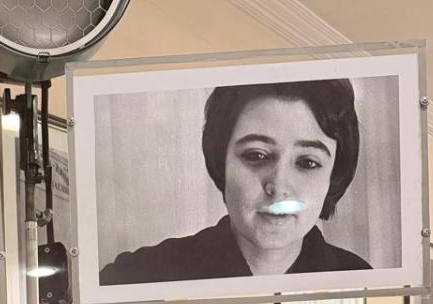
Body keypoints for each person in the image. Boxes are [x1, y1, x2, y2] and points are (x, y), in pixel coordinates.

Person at [100, 79, 369, 286]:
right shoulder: (137, 276)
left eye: (307, 163)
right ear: (221, 161)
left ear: (334, 174)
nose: (278, 186)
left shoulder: (361, 280)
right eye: (256, 155)